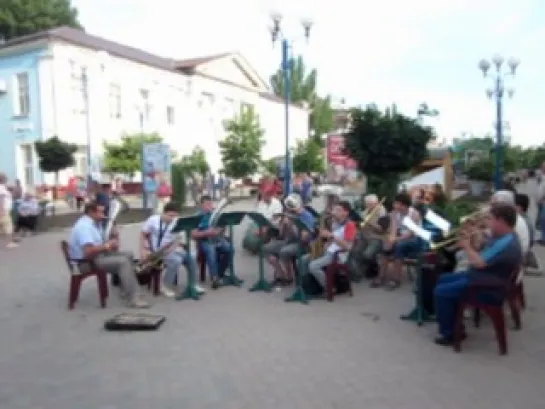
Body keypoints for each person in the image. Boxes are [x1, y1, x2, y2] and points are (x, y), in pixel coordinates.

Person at [433, 203, 522, 346]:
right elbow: (485, 252)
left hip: (486, 286)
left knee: (441, 291)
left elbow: (479, 262)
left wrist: (466, 246)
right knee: (443, 279)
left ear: (502, 221)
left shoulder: (506, 244)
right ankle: (456, 326)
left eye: (491, 219)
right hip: (484, 277)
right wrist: (475, 237)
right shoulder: (505, 237)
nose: (488, 223)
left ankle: (449, 334)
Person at [68, 201, 150, 308]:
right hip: (85, 263)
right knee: (123, 262)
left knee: (128, 254)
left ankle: (125, 289)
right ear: (91, 212)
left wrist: (114, 237)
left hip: (95, 257)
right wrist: (107, 246)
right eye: (101, 212)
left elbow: (105, 244)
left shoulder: (93, 224)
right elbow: (88, 251)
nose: (104, 215)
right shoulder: (84, 227)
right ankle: (134, 298)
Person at [140, 201, 203, 298]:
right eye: (170, 216)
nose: (172, 219)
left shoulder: (177, 222)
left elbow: (178, 239)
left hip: (171, 249)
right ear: (163, 213)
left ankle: (193, 284)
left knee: (191, 258)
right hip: (157, 251)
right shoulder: (153, 220)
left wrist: (174, 247)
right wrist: (143, 250)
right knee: (176, 261)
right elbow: (143, 234)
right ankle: (165, 286)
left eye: (175, 216)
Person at [301, 201, 357, 292]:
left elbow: (348, 246)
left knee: (313, 266)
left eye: (338, 210)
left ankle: (329, 288)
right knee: (303, 259)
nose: (334, 212)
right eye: (334, 209)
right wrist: (326, 240)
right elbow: (333, 240)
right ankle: (307, 286)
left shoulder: (350, 225)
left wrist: (331, 236)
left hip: (337, 255)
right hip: (328, 251)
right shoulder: (335, 223)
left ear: (345, 213)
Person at [262, 193, 316, 285]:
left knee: (284, 251)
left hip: (303, 244)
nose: (288, 210)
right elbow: (281, 235)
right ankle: (280, 274)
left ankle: (289, 277)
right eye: (288, 208)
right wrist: (282, 224)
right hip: (288, 241)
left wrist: (291, 225)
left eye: (290, 208)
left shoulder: (306, 216)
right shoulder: (289, 214)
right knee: (265, 248)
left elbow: (303, 238)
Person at [374, 192, 423, 289]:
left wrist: (395, 240)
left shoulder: (414, 214)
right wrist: (391, 239)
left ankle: (396, 279)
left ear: (403, 205)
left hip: (414, 241)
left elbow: (410, 234)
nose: (394, 205)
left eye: (396, 203)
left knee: (398, 246)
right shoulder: (395, 214)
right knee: (385, 246)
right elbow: (393, 229)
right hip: (400, 238)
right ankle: (381, 276)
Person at [191, 195, 233, 289]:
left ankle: (220, 273)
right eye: (207, 204)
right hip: (204, 240)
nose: (210, 206)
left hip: (216, 238)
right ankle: (214, 278)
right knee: (211, 251)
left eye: (210, 204)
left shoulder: (215, 214)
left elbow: (222, 228)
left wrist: (219, 230)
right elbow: (193, 234)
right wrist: (206, 232)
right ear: (201, 205)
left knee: (230, 249)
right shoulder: (197, 216)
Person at [491, 190, 529, 257]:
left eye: (494, 204)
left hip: (513, 256)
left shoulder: (508, 219)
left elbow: (496, 237)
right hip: (518, 252)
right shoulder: (514, 216)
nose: (491, 207)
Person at [0, 173, 18, 248]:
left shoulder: (3, 187)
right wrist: (1, 210)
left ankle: (11, 241)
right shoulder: (1, 188)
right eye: (5, 178)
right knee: (8, 226)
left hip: (5, 209)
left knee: (6, 226)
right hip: (4, 209)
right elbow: (1, 199)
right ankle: (9, 243)